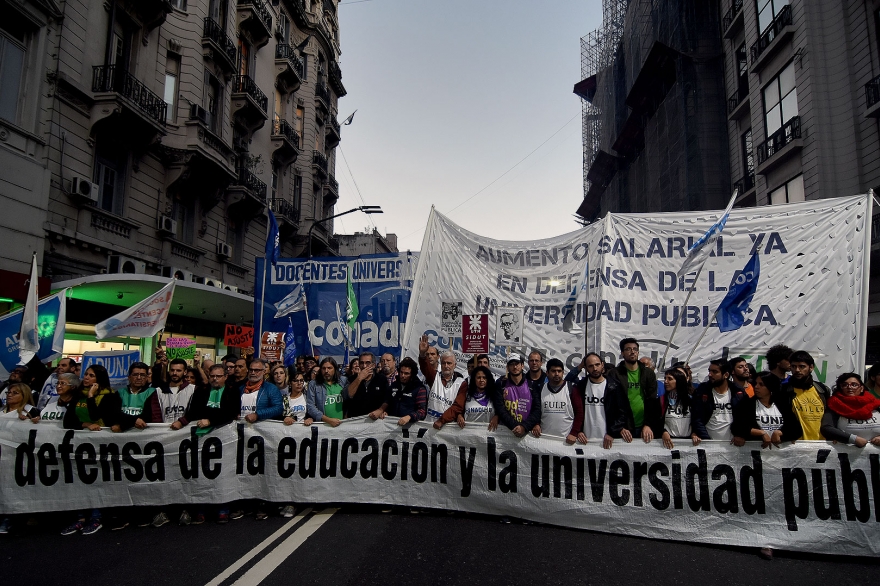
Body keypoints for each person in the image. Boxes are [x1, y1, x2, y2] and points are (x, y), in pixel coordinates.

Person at [61, 364, 121, 536]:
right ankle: (80, 518)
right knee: (79, 479)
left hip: (100, 444)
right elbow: (68, 422)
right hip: (79, 444)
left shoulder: (110, 396)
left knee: (96, 479)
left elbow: (97, 416)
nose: (86, 378)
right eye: (86, 375)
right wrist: (85, 425)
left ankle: (96, 517)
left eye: (91, 375)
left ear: (99, 379)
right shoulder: (76, 396)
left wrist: (91, 397)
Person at [189, 364, 242, 523]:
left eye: (218, 376)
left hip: (224, 440)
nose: (215, 379)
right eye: (212, 376)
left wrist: (211, 419)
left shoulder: (232, 391)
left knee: (223, 473)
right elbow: (194, 411)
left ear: (225, 377)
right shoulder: (201, 391)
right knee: (201, 473)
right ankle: (201, 508)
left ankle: (223, 509)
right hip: (202, 439)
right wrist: (212, 417)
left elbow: (231, 413)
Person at [606, 338, 661, 443]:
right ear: (622, 353)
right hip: (624, 426)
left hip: (643, 425)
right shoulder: (614, 374)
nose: (632, 351)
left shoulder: (648, 373)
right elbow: (611, 404)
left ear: (638, 352)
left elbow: (652, 400)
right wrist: (619, 427)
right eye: (628, 349)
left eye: (635, 349)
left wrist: (648, 424)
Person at [568, 353, 627, 448]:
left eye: (597, 365)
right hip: (585, 440)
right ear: (586, 368)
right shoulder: (581, 386)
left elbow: (622, 413)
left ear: (602, 365)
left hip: (608, 439)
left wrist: (612, 432)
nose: (595, 369)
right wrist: (578, 431)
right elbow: (575, 412)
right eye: (590, 366)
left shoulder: (614, 386)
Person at [732, 371, 802, 448]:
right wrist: (760, 433)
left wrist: (780, 433)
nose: (756, 387)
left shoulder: (782, 404)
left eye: (761, 384)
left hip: (780, 456)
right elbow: (737, 427)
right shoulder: (747, 403)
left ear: (770, 386)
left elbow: (797, 429)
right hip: (756, 454)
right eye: (756, 383)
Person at [779, 350, 831, 440]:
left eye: (802, 366)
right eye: (794, 366)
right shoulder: (783, 390)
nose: (797, 370)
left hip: (822, 444)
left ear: (811, 367)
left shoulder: (822, 389)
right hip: (794, 445)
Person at [691, 359, 746, 442]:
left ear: (726, 375)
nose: (710, 374)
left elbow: (744, 418)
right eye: (709, 371)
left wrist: (740, 435)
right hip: (708, 444)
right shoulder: (702, 391)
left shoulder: (738, 392)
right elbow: (697, 419)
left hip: (733, 445)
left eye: (715, 372)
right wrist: (706, 440)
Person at [823, 372, 880, 447]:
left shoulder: (876, 404)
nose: (849, 387)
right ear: (840, 388)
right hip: (845, 455)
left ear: (861, 388)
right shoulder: (834, 405)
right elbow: (826, 427)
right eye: (845, 385)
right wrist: (853, 439)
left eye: (854, 385)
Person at [492, 353, 542, 437]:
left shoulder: (532, 385)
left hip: (526, 432)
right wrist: (515, 426)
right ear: (507, 368)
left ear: (522, 366)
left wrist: (524, 427)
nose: (515, 367)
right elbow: (500, 408)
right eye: (511, 364)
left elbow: (537, 410)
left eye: (517, 364)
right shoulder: (501, 384)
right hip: (505, 431)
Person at [419, 336, 466, 422]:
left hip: (448, 426)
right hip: (430, 423)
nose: (446, 366)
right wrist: (422, 354)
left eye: (449, 363)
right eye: (444, 363)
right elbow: (425, 367)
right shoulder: (434, 377)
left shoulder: (461, 383)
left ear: (455, 365)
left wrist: (442, 420)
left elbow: (457, 406)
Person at [531, 358, 573, 439]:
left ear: (563, 372)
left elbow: (579, 413)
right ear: (547, 373)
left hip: (566, 439)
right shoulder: (541, 388)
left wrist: (575, 432)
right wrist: (536, 424)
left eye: (559, 371)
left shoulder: (571, 388)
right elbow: (535, 410)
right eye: (553, 371)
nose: (557, 374)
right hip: (544, 437)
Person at [383, 357, 428, 426]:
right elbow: (388, 402)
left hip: (409, 428)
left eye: (406, 373)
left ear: (412, 375)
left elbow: (422, 411)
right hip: (391, 426)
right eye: (401, 372)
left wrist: (410, 417)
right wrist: (385, 412)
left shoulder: (419, 388)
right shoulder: (394, 385)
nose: (403, 376)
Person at [305, 357, 349, 426]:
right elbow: (310, 406)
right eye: (323, 368)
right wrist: (327, 420)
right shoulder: (313, 384)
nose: (326, 371)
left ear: (335, 369)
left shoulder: (343, 381)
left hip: (343, 425)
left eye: (329, 368)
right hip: (323, 426)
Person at [348, 352, 391, 418]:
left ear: (373, 365)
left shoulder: (381, 379)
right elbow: (348, 395)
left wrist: (381, 410)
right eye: (362, 363)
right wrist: (359, 378)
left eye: (367, 363)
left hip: (375, 420)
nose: (364, 366)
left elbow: (387, 398)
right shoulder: (352, 379)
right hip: (356, 420)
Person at [115, 362, 156, 430]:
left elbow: (148, 416)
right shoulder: (119, 393)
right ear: (129, 377)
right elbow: (115, 414)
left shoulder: (153, 392)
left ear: (146, 378)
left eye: (142, 375)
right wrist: (134, 420)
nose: (139, 378)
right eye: (135, 375)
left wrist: (125, 423)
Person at [659, 368, 694, 449]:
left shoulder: (691, 400)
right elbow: (656, 421)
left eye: (670, 379)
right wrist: (663, 432)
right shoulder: (661, 400)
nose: (666, 381)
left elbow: (697, 419)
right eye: (665, 378)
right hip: (667, 442)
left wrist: (695, 433)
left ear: (679, 381)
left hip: (688, 443)